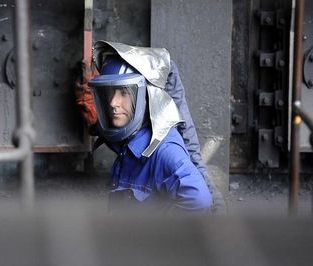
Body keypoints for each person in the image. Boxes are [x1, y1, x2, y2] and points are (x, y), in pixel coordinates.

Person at [77, 41, 213, 212]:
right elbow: (101, 128)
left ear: (147, 98)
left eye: (124, 93)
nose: (112, 103)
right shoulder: (126, 139)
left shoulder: (164, 150)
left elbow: (199, 201)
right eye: (110, 93)